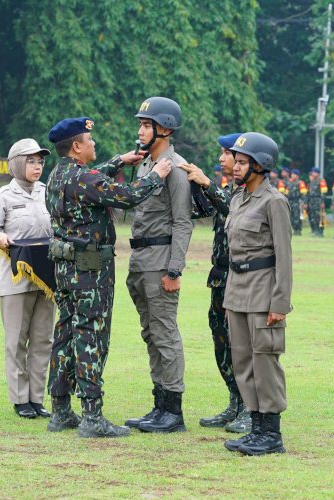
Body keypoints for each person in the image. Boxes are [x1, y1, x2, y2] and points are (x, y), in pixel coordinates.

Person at [45, 116, 172, 438]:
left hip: (64, 267)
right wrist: (155, 176)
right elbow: (128, 196)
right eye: (89, 141)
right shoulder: (84, 179)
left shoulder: (60, 174)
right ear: (76, 147)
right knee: (91, 337)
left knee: (66, 335)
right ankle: (92, 417)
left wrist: (119, 161)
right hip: (90, 270)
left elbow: (93, 179)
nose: (93, 144)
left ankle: (60, 410)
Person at [124, 97, 193, 434]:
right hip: (139, 261)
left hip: (160, 263)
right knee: (151, 334)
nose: (140, 130)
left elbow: (183, 222)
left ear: (164, 128)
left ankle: (173, 410)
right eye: (141, 124)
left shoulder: (175, 168)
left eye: (146, 124)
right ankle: (159, 405)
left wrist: (174, 270)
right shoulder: (145, 165)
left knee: (165, 334)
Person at [176, 133, 252, 435]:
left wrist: (207, 184)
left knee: (241, 343)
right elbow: (206, 210)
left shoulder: (249, 192)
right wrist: (196, 190)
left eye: (227, 154)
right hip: (219, 277)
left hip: (241, 278)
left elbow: (234, 212)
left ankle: (250, 407)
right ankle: (235, 401)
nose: (222, 159)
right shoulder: (230, 189)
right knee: (222, 342)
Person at [222, 132, 292, 456]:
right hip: (237, 290)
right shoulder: (238, 199)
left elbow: (284, 257)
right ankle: (255, 427)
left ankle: (272, 433)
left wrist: (280, 302)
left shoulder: (274, 202)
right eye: (235, 161)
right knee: (243, 361)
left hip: (264, 290)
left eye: (241, 162)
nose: (235, 167)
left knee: (265, 361)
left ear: (259, 165)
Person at [0, 138, 56, 419]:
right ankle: (20, 400)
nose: (37, 166)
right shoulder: (4, 195)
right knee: (16, 340)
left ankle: (37, 399)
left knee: (43, 339)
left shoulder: (47, 193)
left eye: (40, 161)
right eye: (31, 161)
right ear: (16, 164)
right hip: (16, 279)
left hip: (46, 278)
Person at [306, 167, 326, 237]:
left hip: (318, 200)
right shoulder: (312, 181)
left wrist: (322, 202)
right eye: (312, 172)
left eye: (314, 172)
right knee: (313, 217)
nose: (312, 173)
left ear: (317, 173)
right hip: (312, 201)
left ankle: (320, 232)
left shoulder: (321, 181)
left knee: (319, 216)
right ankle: (316, 230)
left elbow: (323, 192)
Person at [287, 169, 305, 236]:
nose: (292, 175)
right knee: (291, 217)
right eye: (291, 174)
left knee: (297, 217)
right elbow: (286, 193)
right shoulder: (289, 183)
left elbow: (303, 194)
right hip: (290, 201)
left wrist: (303, 202)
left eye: (294, 174)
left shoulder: (300, 183)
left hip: (297, 201)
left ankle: (298, 230)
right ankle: (294, 230)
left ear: (297, 176)